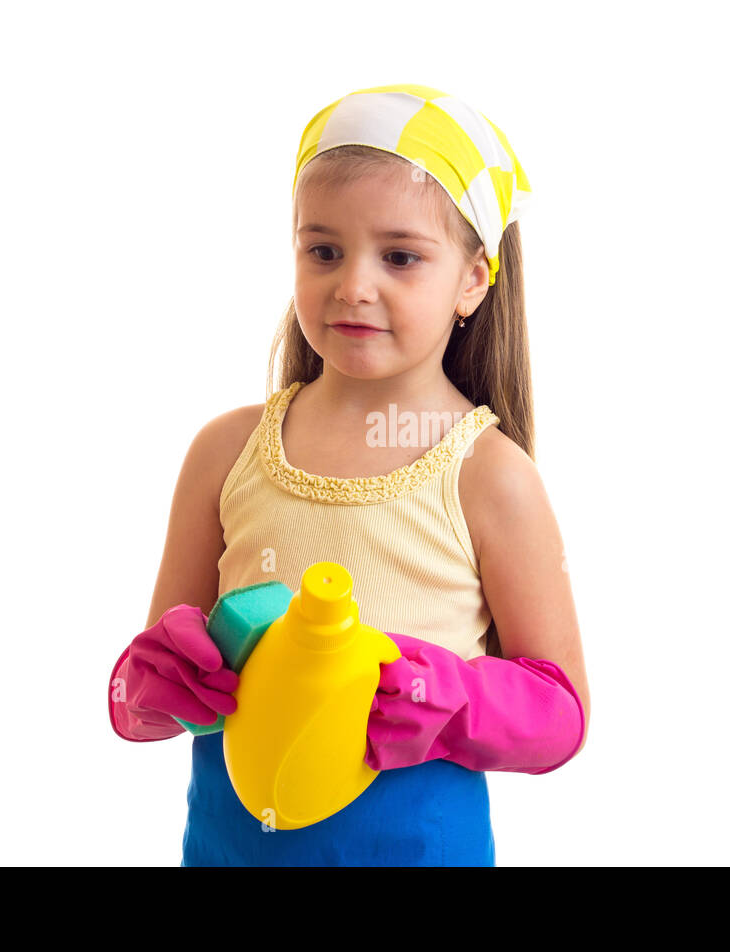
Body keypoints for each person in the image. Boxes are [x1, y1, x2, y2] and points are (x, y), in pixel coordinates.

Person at [106, 83, 590, 866]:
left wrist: (445, 693)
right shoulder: (225, 453)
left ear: (473, 279)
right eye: (322, 250)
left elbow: (560, 716)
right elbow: (144, 694)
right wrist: (154, 685)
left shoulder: (487, 475)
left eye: (400, 256)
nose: (353, 285)